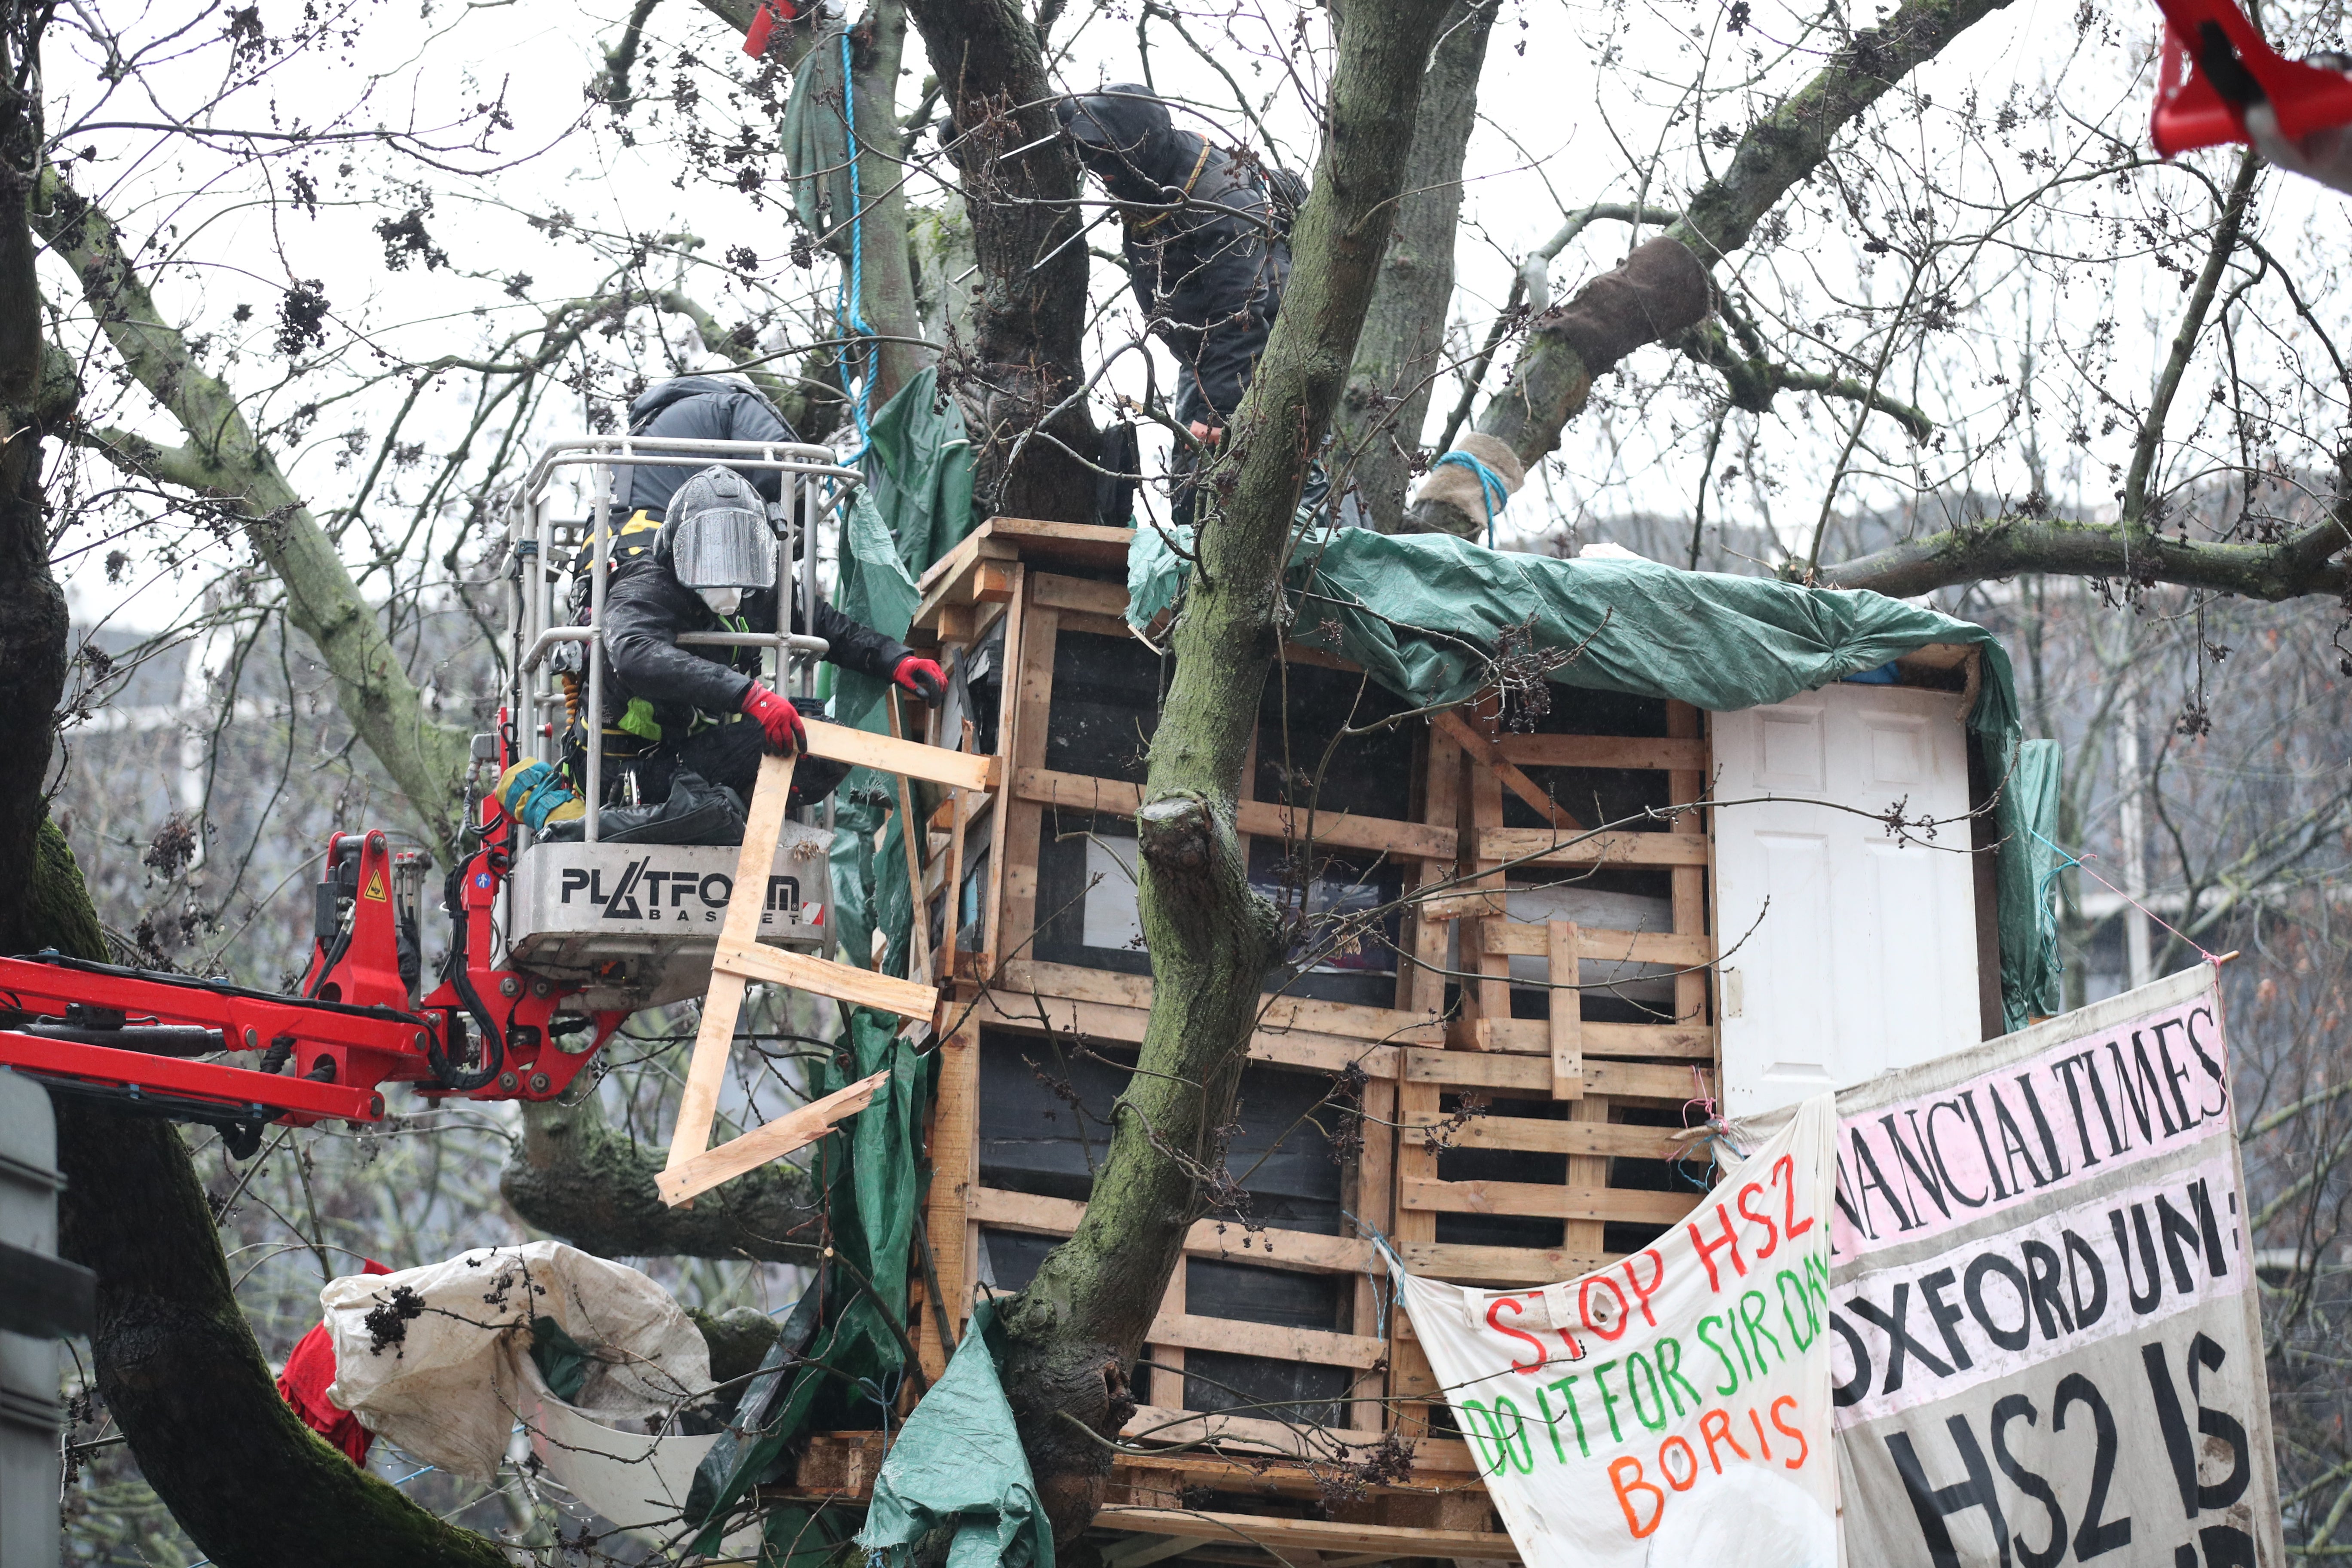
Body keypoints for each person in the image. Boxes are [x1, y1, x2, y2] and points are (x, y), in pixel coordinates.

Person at [588, 462, 945, 812]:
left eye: (739, 550)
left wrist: (895, 659)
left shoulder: (756, 589)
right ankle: (723, 815)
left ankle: (739, 817)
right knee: (799, 741)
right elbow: (634, 653)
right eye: (711, 551)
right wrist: (751, 697)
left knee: (820, 742)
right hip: (630, 772)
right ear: (676, 548)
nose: (726, 568)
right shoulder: (646, 586)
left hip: (694, 752)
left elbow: (822, 624)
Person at [1055, 86, 1295, 524]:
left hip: (1260, 352)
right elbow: (1066, 111)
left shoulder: (1222, 197)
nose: (1102, 171)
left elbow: (1238, 315)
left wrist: (1218, 412)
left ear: (1140, 147)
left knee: (1240, 489)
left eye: (1111, 157)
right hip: (1201, 351)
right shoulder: (1137, 160)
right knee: (1189, 494)